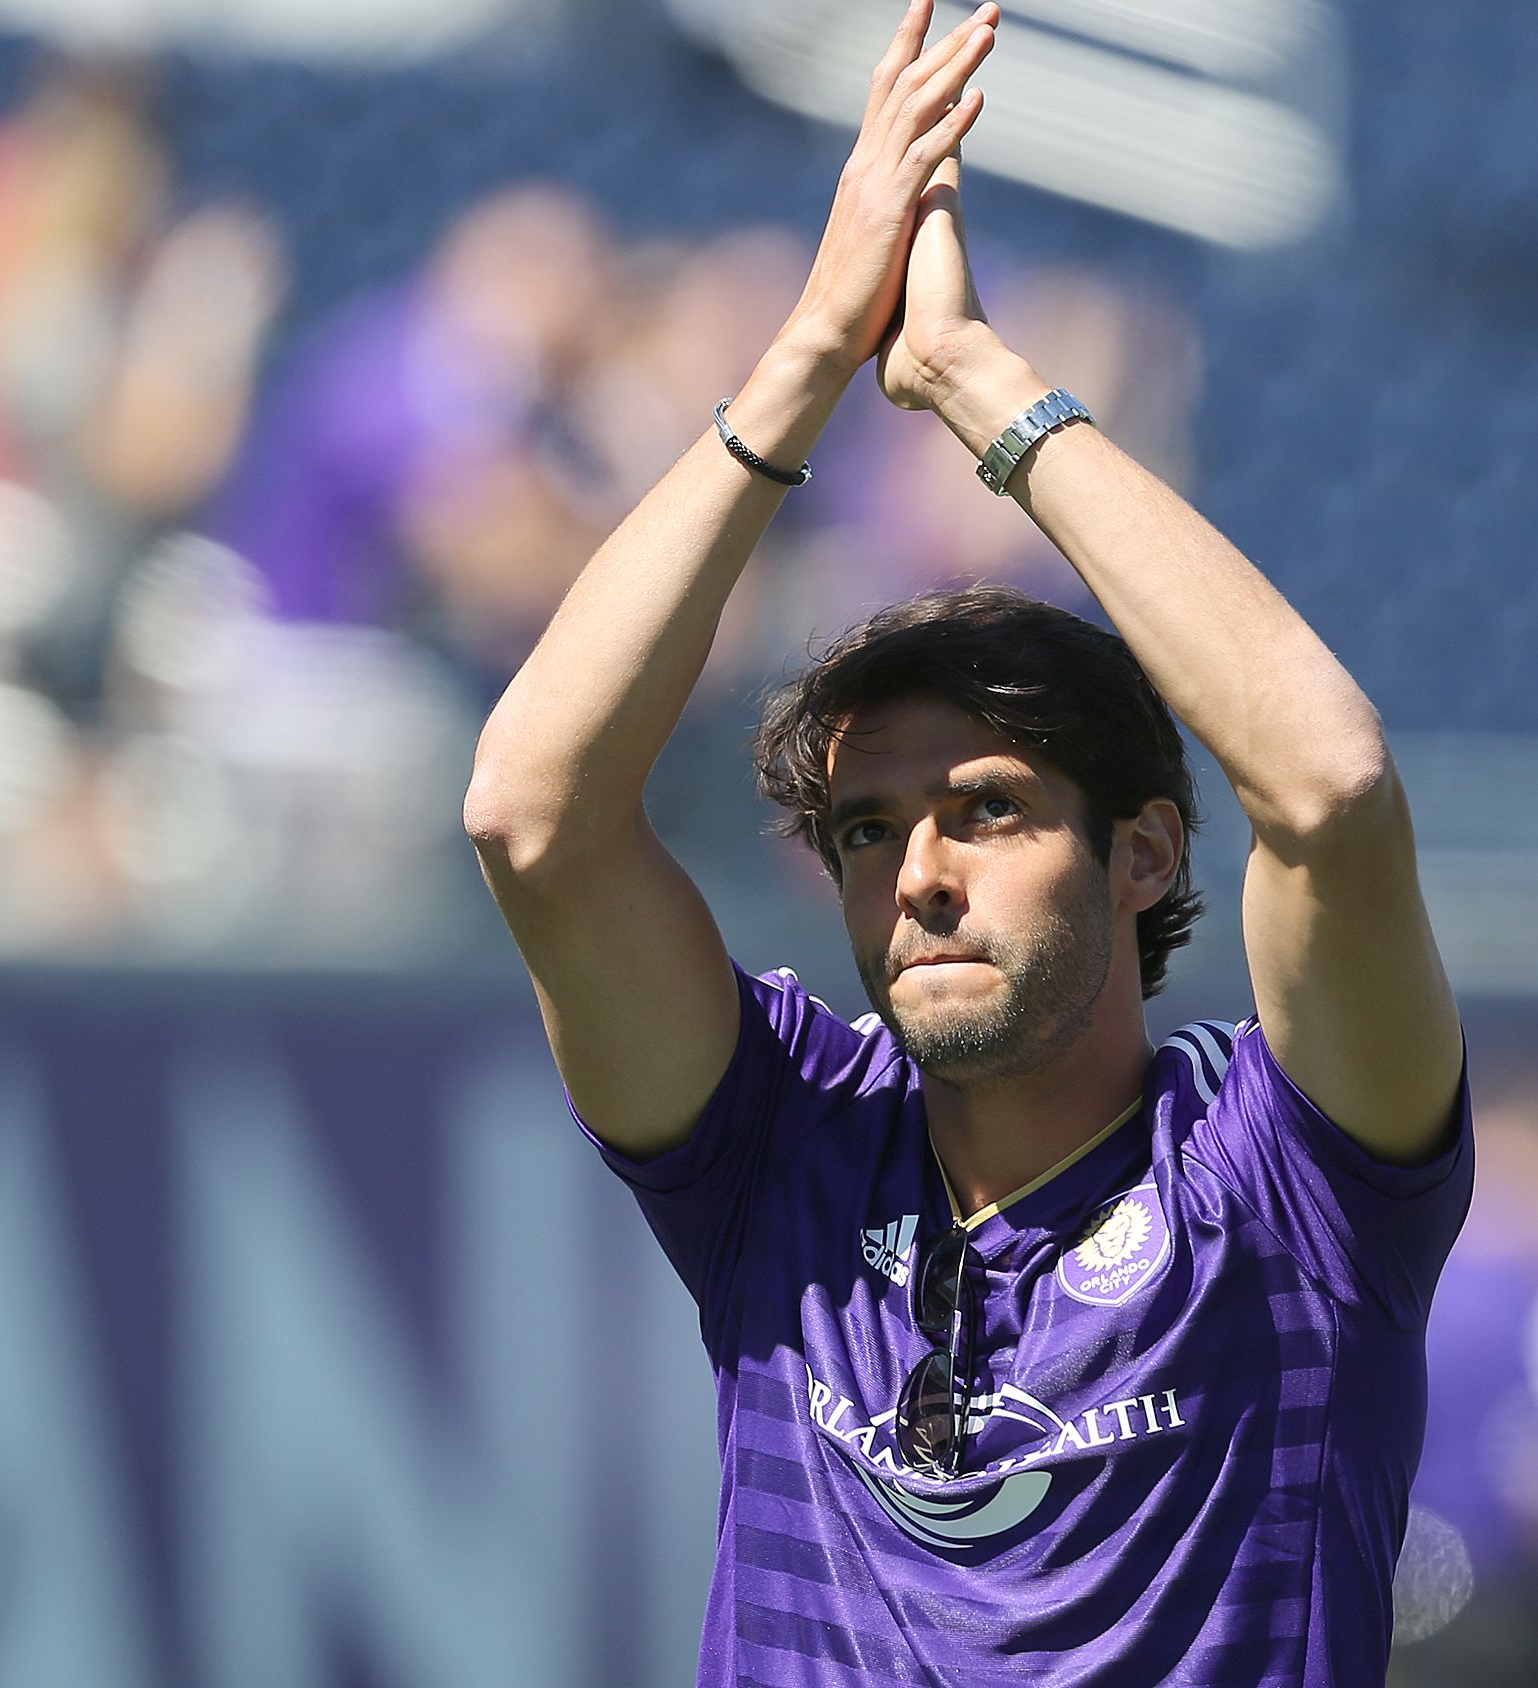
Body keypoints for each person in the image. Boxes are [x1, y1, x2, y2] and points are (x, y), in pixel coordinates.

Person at [462, 4, 1471, 1680]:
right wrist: (805, 360)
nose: (917, 872)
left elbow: (1330, 789)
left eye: (986, 809)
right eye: (869, 829)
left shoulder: (1293, 1185)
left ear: (1144, 856)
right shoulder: (779, 1157)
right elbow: (532, 814)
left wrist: (976, 389)